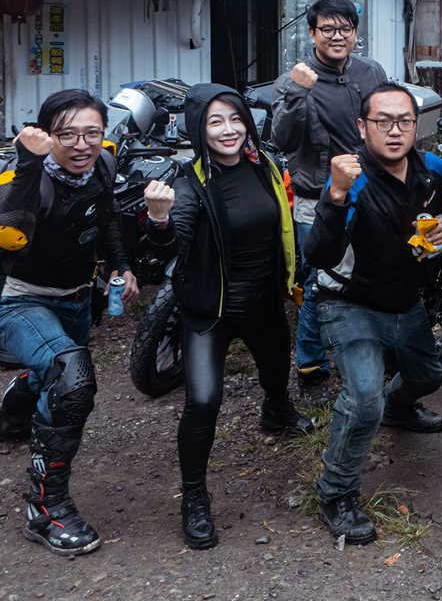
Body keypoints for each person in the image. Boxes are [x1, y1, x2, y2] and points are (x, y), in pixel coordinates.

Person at [140, 85, 311, 550]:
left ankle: (276, 410)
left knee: (276, 370)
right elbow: (171, 244)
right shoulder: (189, 183)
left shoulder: (264, 165)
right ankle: (194, 496)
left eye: (235, 118)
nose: (229, 129)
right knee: (203, 401)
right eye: (215, 122)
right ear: (198, 128)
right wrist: (159, 220)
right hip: (210, 310)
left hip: (264, 302)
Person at [0, 89, 139, 557]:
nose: (81, 144)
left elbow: (106, 217)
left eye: (92, 133)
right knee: (72, 380)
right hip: (20, 300)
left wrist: (120, 265)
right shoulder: (18, 177)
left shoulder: (103, 164)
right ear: (45, 135)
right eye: (67, 134)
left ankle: (15, 412)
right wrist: (28, 162)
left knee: (56, 370)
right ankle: (46, 509)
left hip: (75, 299)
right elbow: (11, 234)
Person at [301, 82, 442, 542]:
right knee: (365, 397)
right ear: (362, 127)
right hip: (350, 303)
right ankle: (336, 493)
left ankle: (398, 408)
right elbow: (318, 255)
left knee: (429, 376)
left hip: (405, 302)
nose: (395, 131)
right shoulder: (351, 178)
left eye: (404, 121)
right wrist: (334, 196)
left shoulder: (431, 169)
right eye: (382, 121)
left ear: (416, 126)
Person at [270, 0, 399, 414]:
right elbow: (283, 140)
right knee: (320, 282)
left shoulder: (370, 71)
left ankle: (369, 349)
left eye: (346, 28)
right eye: (327, 29)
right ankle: (312, 368)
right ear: (311, 33)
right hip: (317, 197)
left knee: (372, 270)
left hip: (372, 191)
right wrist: (296, 92)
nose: (337, 36)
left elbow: (387, 120)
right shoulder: (294, 80)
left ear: (355, 33)